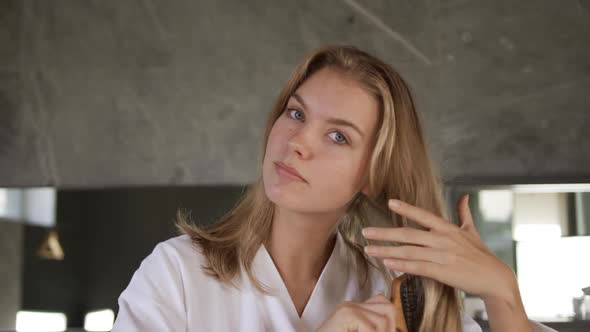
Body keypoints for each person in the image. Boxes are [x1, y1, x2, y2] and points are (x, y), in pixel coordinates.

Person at [111, 45, 556, 332]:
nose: (298, 142)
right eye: (297, 114)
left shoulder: (397, 291)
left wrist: (503, 294)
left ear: (372, 174)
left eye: (338, 135)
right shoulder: (176, 275)